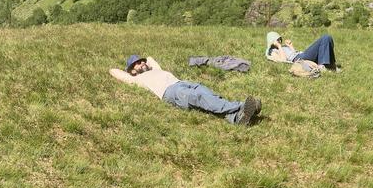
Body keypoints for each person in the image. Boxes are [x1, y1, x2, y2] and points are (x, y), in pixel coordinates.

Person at [109, 55, 261, 126]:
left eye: (141, 61)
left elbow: (150, 58)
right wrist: (131, 72)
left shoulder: (156, 69)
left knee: (208, 96)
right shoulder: (137, 79)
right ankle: (241, 106)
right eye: (136, 64)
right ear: (132, 71)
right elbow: (113, 71)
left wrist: (145, 62)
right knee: (200, 97)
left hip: (181, 83)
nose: (142, 63)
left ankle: (236, 119)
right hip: (170, 92)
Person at [265, 31, 340, 71]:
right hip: (299, 58)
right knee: (325, 37)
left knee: (328, 38)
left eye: (279, 39)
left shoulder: (283, 47)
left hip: (301, 55)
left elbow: (294, 53)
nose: (279, 41)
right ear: (272, 41)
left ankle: (330, 65)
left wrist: (291, 46)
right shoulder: (273, 51)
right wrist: (279, 46)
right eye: (277, 40)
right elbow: (284, 60)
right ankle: (325, 65)